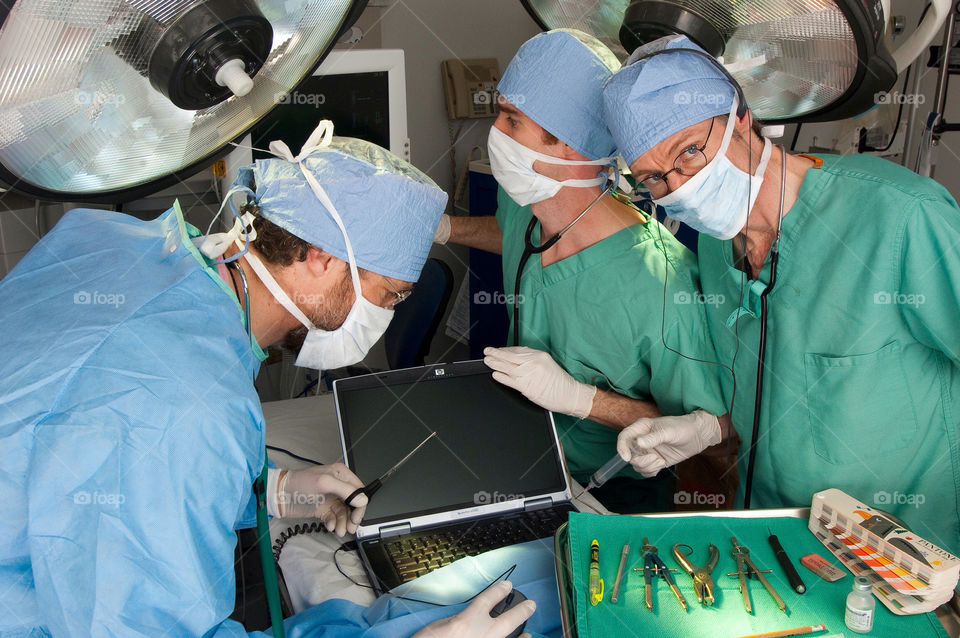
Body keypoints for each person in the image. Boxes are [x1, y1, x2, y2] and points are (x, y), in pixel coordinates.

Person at [0, 122, 535, 636]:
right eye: (389, 294)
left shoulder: (116, 241)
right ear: (323, 259)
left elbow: (81, 456)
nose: (388, 312)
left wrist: (274, 487)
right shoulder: (187, 409)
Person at [604, 35, 960, 554]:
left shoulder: (901, 217)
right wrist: (707, 429)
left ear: (742, 117)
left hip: (906, 557)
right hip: (775, 539)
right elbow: (779, 393)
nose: (680, 186)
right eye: (655, 179)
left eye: (689, 152)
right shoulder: (715, 245)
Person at [434, 29, 730, 511]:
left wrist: (582, 400)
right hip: (524, 457)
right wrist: (448, 229)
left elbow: (707, 433)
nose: (495, 133)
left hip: (610, 494)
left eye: (511, 120)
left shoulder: (658, 285)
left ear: (569, 145)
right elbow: (510, 235)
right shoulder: (528, 203)